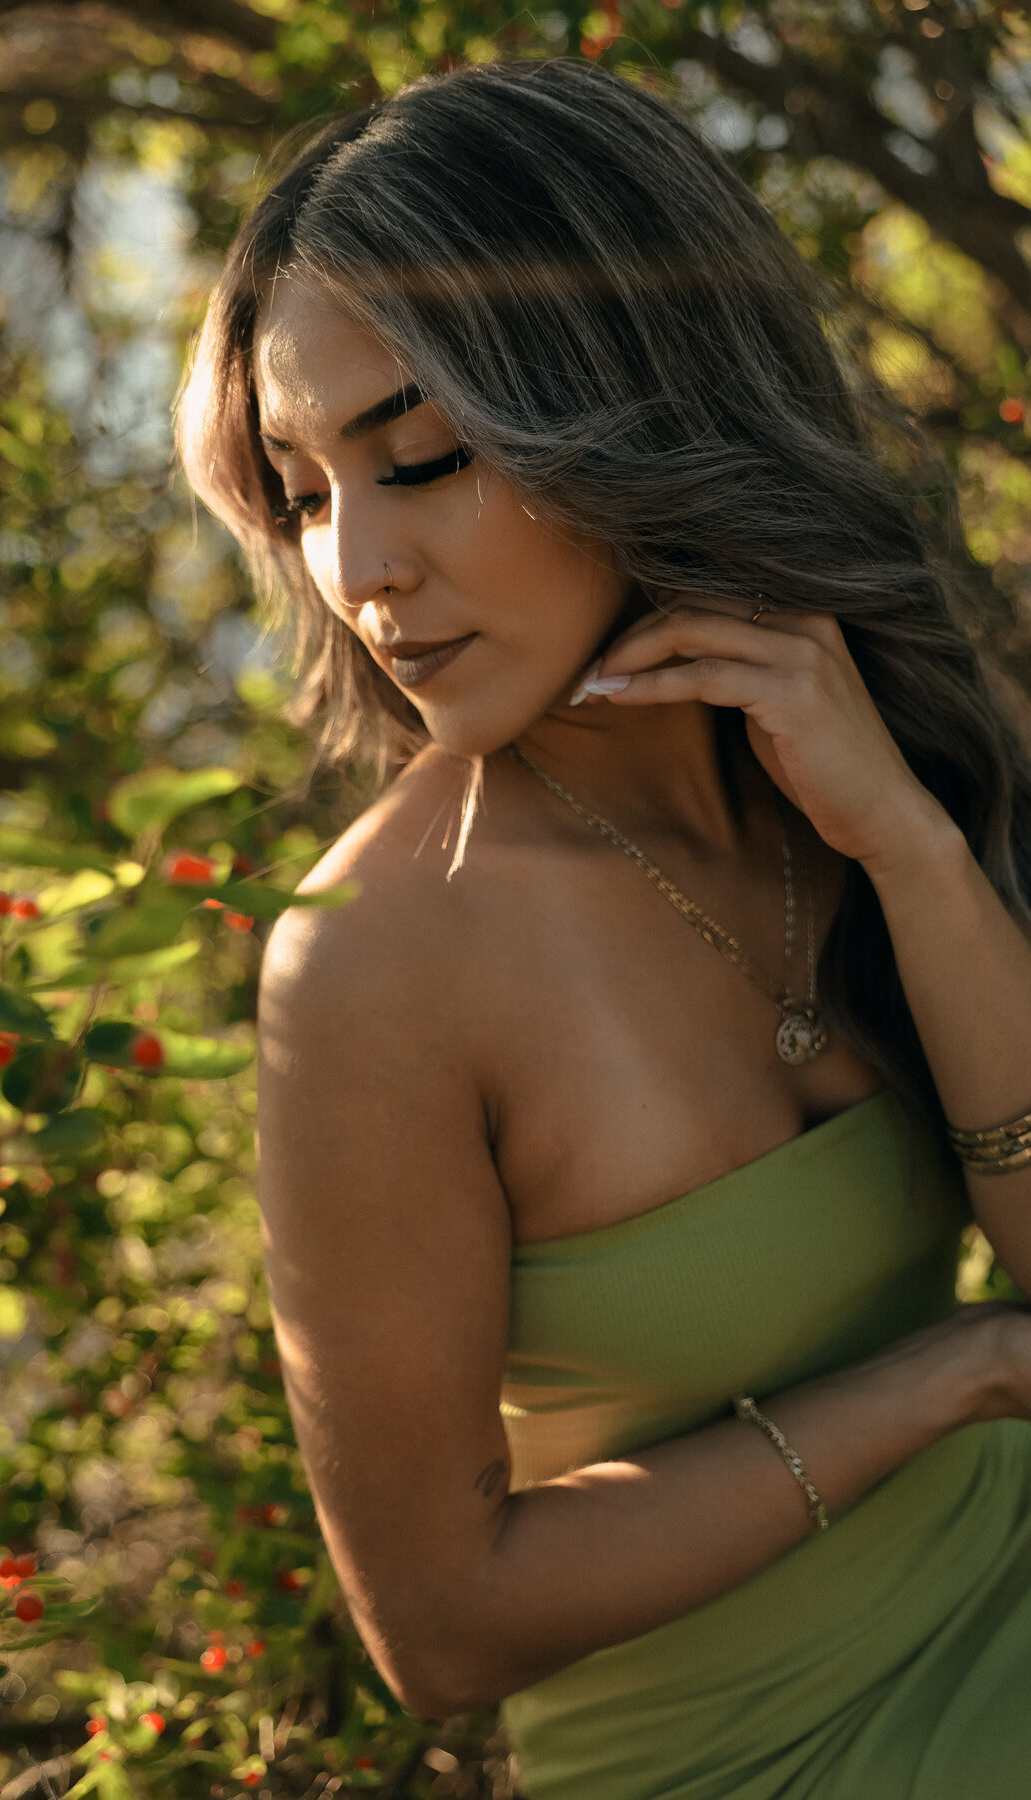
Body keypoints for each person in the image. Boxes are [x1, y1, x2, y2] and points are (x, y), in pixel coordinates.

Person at [178, 57, 1031, 1800]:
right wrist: (949, 1380)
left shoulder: (862, 756)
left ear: (630, 409)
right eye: (311, 489)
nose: (360, 574)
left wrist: (915, 855)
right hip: (754, 1760)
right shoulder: (375, 968)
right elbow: (437, 1628)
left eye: (417, 457)